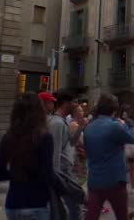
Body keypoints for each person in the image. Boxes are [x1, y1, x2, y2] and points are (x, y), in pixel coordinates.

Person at [0, 92, 54, 220]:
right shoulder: (44, 137)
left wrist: (17, 173)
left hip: (13, 204)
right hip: (36, 203)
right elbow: (47, 174)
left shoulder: (8, 137)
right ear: (39, 111)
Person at [83, 94, 134, 220]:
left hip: (94, 180)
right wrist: (123, 124)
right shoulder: (115, 126)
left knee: (91, 216)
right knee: (121, 215)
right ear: (114, 110)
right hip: (114, 180)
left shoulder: (88, 127)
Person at [48, 89, 82, 220]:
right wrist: (56, 181)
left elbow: (71, 143)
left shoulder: (61, 122)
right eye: (74, 102)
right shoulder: (57, 123)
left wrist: (80, 127)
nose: (77, 105)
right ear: (66, 103)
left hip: (64, 171)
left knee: (70, 208)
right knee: (74, 207)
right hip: (62, 172)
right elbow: (54, 153)